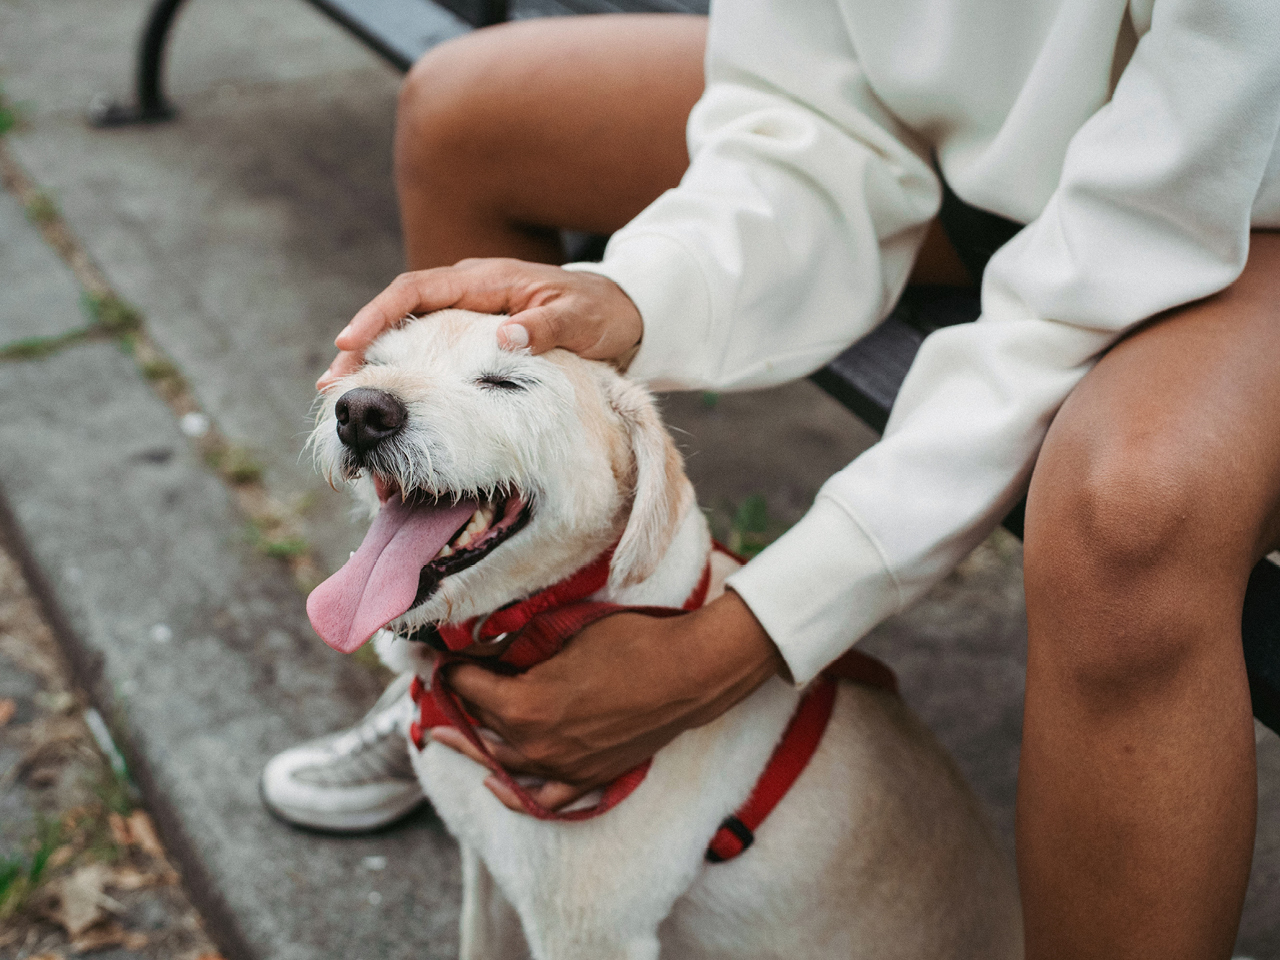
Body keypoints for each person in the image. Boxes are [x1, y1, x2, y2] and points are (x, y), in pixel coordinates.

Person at [263, 2, 1280, 955]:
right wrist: (621, 298)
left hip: (1232, 193)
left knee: (1132, 501)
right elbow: (796, 115)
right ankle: (469, 656)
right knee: (460, 115)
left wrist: (743, 638)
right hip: (974, 161)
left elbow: (1149, 223)